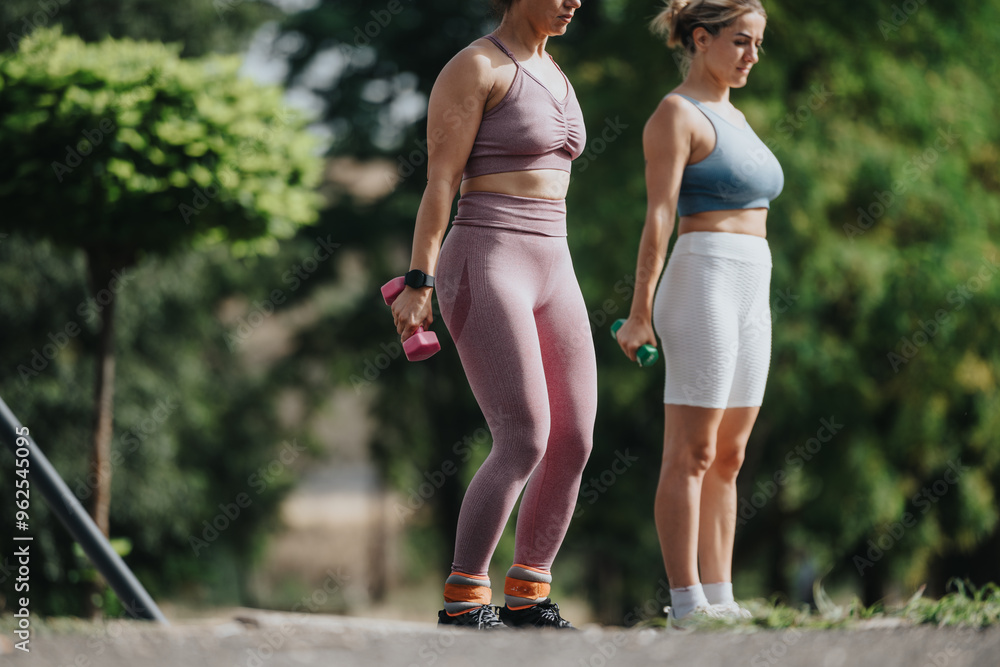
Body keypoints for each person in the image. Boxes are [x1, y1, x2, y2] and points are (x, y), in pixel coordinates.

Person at [389, 0, 593, 630]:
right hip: (486, 256)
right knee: (525, 435)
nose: (573, 1)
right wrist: (418, 281)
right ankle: (464, 598)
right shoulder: (475, 67)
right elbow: (440, 183)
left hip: (554, 261)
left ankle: (529, 593)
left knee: (575, 438)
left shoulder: (556, 71)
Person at [614, 0, 783, 627]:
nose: (751, 55)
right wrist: (639, 313)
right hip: (702, 276)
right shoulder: (675, 114)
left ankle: (722, 596)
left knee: (732, 455)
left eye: (758, 43)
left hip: (752, 282)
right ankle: (686, 603)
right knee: (692, 451)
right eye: (740, 41)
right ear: (701, 38)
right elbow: (658, 216)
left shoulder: (736, 116)